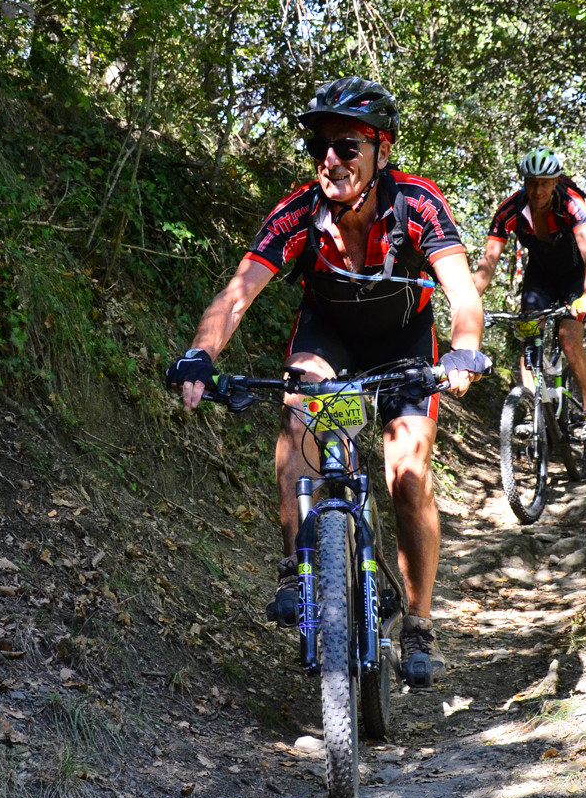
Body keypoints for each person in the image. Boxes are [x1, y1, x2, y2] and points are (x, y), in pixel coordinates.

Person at [166, 75, 487, 688]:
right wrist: (198, 355)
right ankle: (296, 569)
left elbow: (462, 289)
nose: (331, 160)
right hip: (328, 335)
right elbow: (237, 295)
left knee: (407, 474)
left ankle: (418, 623)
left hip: (403, 339)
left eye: (347, 146)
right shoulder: (298, 213)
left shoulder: (416, 203)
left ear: (381, 150)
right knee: (298, 413)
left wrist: (465, 349)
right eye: (321, 149)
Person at [473, 147, 586, 440]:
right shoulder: (511, 210)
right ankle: (535, 411)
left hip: (574, 275)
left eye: (544, 182)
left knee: (569, 339)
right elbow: (488, 264)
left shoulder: (571, 204)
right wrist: (467, 302)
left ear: (556, 181)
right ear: (524, 182)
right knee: (530, 335)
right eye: (531, 182)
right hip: (540, 277)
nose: (538, 189)